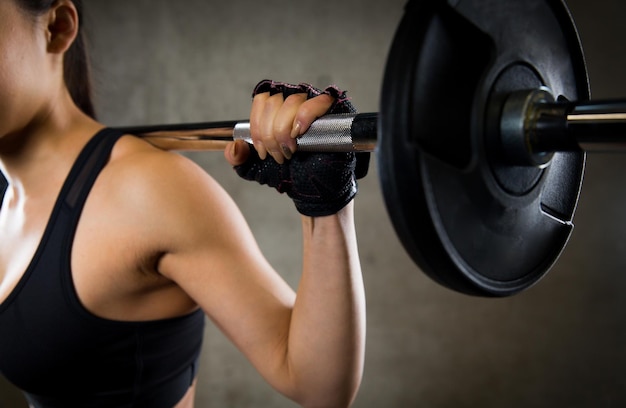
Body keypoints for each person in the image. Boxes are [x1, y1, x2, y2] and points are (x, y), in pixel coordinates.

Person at [0, 0, 366, 407]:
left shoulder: (145, 191)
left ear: (58, 27)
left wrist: (325, 202)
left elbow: (318, 385)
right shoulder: (5, 195)